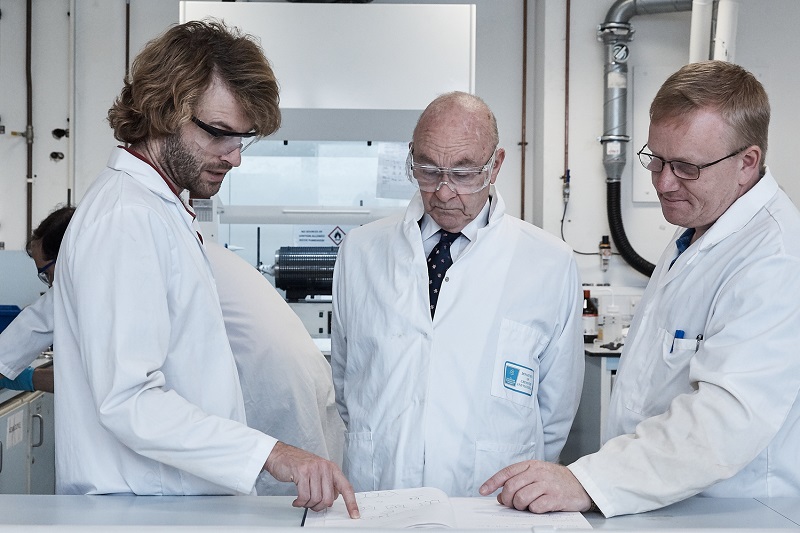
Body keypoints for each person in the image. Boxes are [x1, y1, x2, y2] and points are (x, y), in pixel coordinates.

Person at [52, 20, 357, 517]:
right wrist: (271, 452)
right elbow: (129, 400)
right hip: (140, 510)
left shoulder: (160, 209)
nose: (235, 157)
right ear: (161, 110)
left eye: (244, 138)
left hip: (168, 505)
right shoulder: (127, 218)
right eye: (219, 133)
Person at [480, 60, 800, 517]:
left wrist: (588, 480)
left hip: (735, 513)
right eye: (656, 160)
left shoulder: (776, 258)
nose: (664, 184)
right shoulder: (700, 225)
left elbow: (725, 422)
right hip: (667, 505)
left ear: (747, 162)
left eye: (686, 167)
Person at [331, 91, 584, 496]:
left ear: (495, 165)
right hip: (381, 492)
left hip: (493, 502)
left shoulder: (549, 262)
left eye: (464, 174)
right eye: (428, 170)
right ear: (411, 158)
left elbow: (556, 409)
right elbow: (347, 382)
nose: (444, 192)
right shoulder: (361, 251)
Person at [205, 241, 345, 496]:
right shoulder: (212, 255)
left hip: (281, 394)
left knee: (290, 500)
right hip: (299, 383)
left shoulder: (191, 254)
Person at [0, 206, 74, 394]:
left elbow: (6, 354)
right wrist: (28, 379)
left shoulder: (68, 292)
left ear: (67, 257)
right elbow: (84, 382)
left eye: (47, 273)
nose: (50, 284)